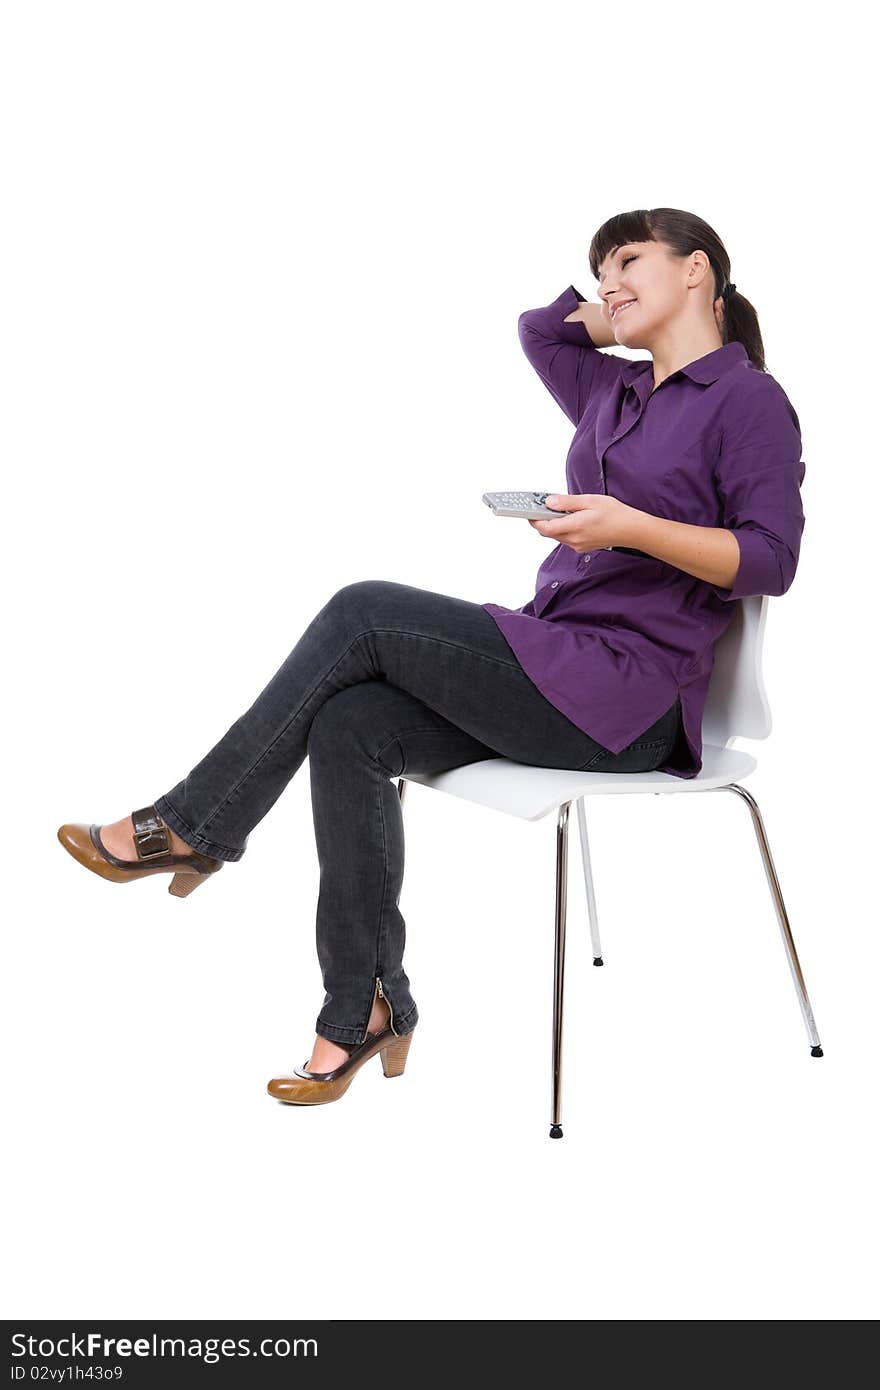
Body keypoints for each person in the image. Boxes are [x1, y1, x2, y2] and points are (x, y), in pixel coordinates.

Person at [57, 206, 806, 1109]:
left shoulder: (749, 401)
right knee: (351, 723)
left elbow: (771, 559)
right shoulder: (616, 393)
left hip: (628, 701)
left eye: (631, 259)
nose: (606, 279)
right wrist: (619, 306)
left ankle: (192, 825)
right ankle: (362, 1008)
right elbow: (541, 332)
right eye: (599, 267)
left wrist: (629, 528)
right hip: (560, 659)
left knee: (363, 611)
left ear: (699, 271)